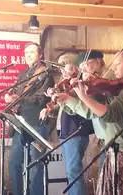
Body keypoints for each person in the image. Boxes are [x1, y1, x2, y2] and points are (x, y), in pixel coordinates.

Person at [54, 48, 123, 194]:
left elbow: (110, 114)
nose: (114, 67)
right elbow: (93, 111)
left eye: (118, 63)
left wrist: (83, 96)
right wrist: (68, 99)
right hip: (116, 150)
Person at [39, 53, 94, 195]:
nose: (62, 71)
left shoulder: (82, 83)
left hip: (76, 131)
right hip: (66, 131)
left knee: (74, 173)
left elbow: (77, 107)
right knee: (71, 172)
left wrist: (62, 96)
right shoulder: (67, 84)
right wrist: (50, 108)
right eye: (61, 68)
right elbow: (62, 105)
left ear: (76, 67)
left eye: (66, 67)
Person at [4, 42, 54, 195]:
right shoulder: (23, 74)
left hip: (37, 124)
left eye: (32, 52)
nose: (28, 55)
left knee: (36, 165)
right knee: (14, 164)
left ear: (40, 55)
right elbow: (19, 96)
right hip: (21, 123)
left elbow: (41, 99)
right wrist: (11, 98)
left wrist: (19, 98)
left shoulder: (45, 73)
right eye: (26, 52)